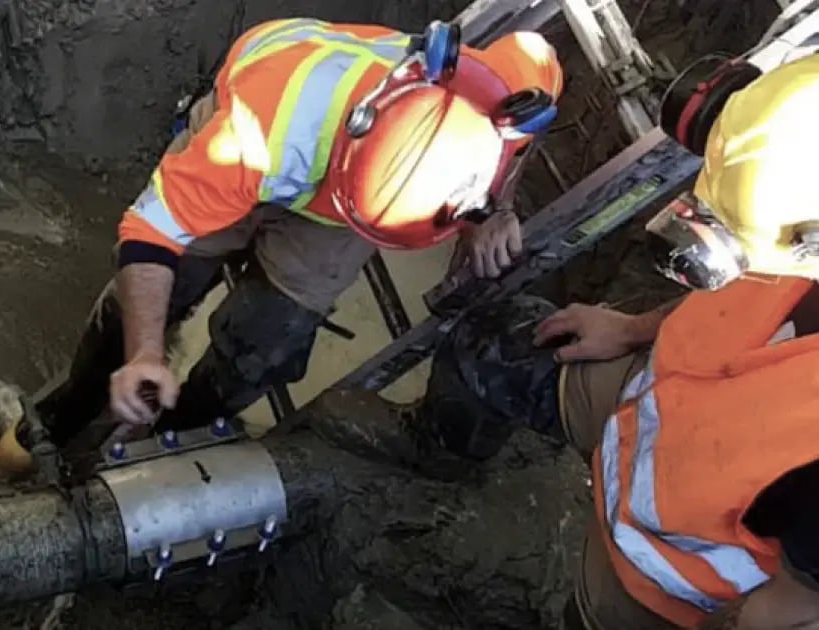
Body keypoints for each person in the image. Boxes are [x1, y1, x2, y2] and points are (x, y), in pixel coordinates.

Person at [314, 52, 819, 628]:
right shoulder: (798, 160)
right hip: (654, 391)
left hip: (654, 576)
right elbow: (748, 290)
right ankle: (434, 453)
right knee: (493, 342)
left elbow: (779, 616)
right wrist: (632, 327)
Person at [0, 17, 564, 474]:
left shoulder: (505, 95)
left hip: (345, 205)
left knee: (264, 346)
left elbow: (535, 58)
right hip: (277, 146)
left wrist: (497, 210)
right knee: (147, 306)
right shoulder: (253, 134)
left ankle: (169, 438)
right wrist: (146, 352)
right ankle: (68, 408)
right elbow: (151, 235)